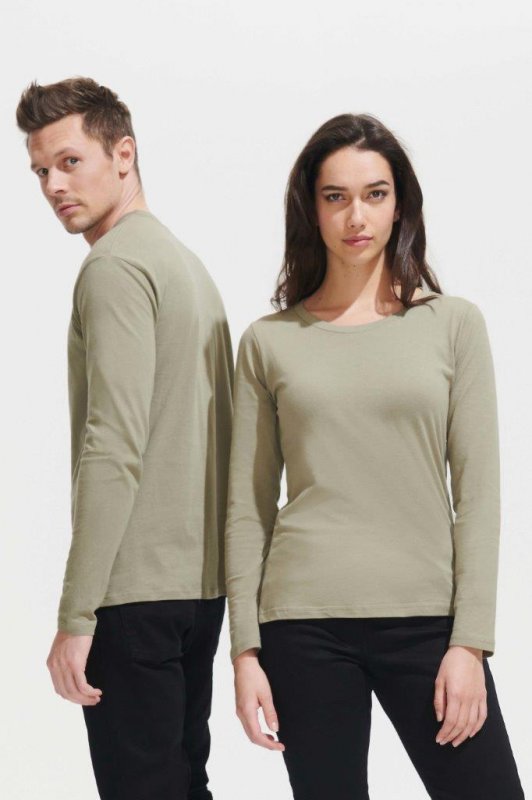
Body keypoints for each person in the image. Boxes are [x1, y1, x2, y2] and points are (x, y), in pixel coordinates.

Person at [224, 112, 524, 798]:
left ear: (399, 203)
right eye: (335, 196)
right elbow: (246, 507)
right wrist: (244, 652)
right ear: (312, 208)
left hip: (428, 623)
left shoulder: (453, 324)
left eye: (375, 194)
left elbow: (479, 495)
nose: (356, 216)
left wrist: (470, 641)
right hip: (302, 625)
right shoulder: (269, 342)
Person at [16, 77, 233, 800]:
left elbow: (112, 445)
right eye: (40, 171)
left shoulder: (113, 267)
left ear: (124, 155)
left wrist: (77, 613)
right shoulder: (186, 266)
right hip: (197, 593)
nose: (53, 185)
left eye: (69, 162)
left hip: (134, 593)